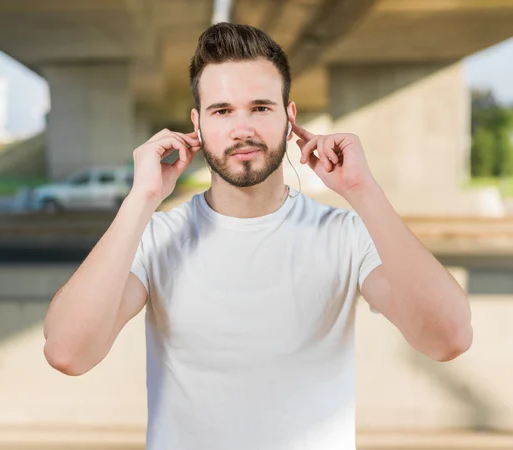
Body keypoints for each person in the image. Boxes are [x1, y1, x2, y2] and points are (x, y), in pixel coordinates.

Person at [43, 23, 473, 450]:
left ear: (290, 118)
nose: (241, 128)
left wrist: (364, 191)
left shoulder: (345, 235)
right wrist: (142, 198)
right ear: (197, 123)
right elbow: (68, 352)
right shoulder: (157, 237)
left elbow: (448, 338)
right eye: (222, 110)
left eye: (261, 108)